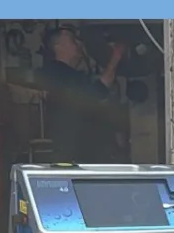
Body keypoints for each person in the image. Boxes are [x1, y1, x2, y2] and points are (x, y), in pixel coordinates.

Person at [39, 25, 126, 162]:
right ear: (58, 47)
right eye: (73, 41)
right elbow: (99, 90)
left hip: (81, 148)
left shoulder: (65, 74)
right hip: (75, 150)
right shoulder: (58, 74)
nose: (78, 44)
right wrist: (115, 57)